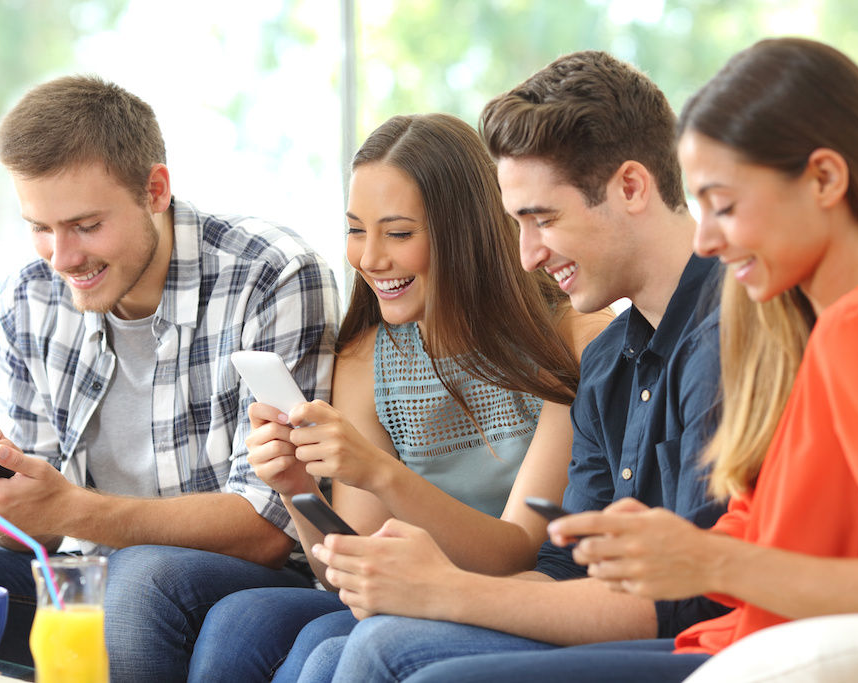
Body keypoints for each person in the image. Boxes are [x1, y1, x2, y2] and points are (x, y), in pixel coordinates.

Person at [402, 36, 858, 682]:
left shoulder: (824, 331)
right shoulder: (794, 332)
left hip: (745, 649)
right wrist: (677, 551)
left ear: (824, 179)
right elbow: (747, 532)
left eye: (724, 206)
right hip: (725, 639)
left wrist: (701, 560)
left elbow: (706, 582)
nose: (705, 237)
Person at [290, 50, 731, 682]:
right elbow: (558, 570)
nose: (525, 257)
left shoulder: (726, 337)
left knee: (382, 650)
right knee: (348, 643)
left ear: (631, 187)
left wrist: (446, 591)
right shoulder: (609, 363)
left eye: (543, 219)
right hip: (621, 625)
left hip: (708, 644)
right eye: (517, 223)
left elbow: (683, 599)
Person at [0, 75, 340, 681]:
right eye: (40, 227)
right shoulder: (30, 298)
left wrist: (71, 509)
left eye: (85, 226)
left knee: (139, 579)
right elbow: (37, 541)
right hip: (86, 576)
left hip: (236, 583)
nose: (61, 258)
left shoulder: (271, 276)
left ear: (155, 190)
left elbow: (270, 526)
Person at [187, 113, 613, 681]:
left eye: (398, 233)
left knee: (327, 648)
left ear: (465, 233)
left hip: (521, 594)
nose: (368, 258)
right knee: (242, 620)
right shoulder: (369, 356)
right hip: (412, 593)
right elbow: (345, 568)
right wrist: (296, 489)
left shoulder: (570, 339)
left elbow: (518, 554)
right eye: (357, 229)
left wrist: (379, 472)